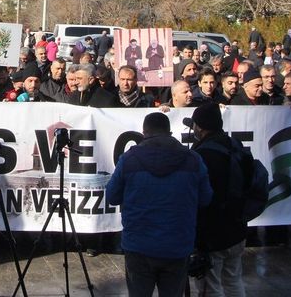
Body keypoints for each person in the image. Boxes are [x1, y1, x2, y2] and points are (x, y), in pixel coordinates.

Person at [106, 112, 213, 297]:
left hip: (138, 245)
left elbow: (112, 196)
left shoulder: (128, 159)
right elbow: (206, 199)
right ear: (169, 132)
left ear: (144, 132)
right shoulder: (193, 160)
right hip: (177, 245)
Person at [189, 103, 251, 297]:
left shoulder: (202, 155)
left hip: (213, 232)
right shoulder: (235, 145)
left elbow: (201, 196)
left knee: (210, 285)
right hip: (237, 225)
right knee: (233, 279)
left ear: (199, 127)